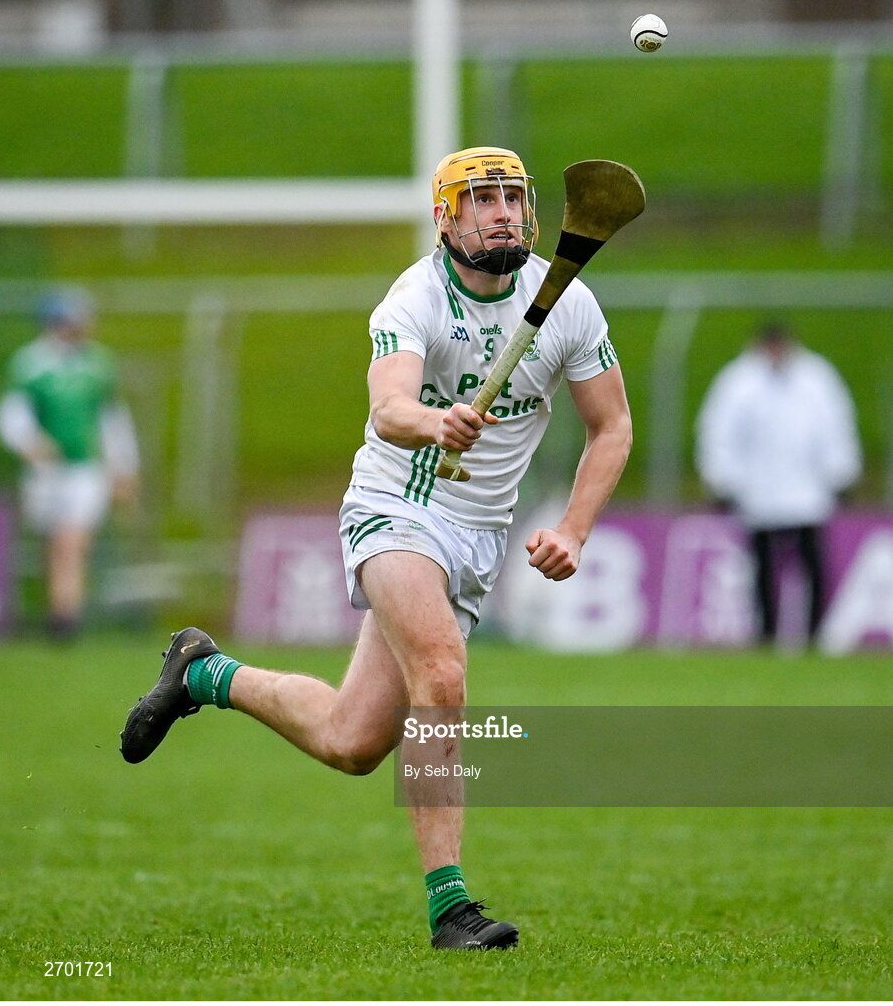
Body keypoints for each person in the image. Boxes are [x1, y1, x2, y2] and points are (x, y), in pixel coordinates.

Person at [121, 146, 633, 948]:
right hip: (395, 508)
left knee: (353, 741)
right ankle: (450, 907)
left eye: (511, 196)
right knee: (442, 672)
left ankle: (202, 672)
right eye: (482, 198)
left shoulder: (564, 301)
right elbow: (390, 404)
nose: (502, 211)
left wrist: (572, 528)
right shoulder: (414, 295)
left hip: (478, 538)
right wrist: (437, 421)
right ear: (446, 217)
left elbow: (612, 426)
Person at [695, 319, 862, 645]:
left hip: (808, 496)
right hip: (760, 495)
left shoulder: (816, 378)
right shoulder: (738, 382)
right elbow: (719, 434)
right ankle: (766, 635)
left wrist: (841, 472)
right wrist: (723, 480)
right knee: (763, 574)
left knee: (813, 570)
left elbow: (835, 428)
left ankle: (815, 634)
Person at [0, 288, 140, 639]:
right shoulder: (31, 363)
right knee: (54, 543)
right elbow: (11, 413)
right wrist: (30, 443)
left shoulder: (97, 363)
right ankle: (58, 611)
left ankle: (66, 617)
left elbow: (111, 420)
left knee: (71, 541)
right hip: (45, 472)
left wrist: (124, 468)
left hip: (84, 469)